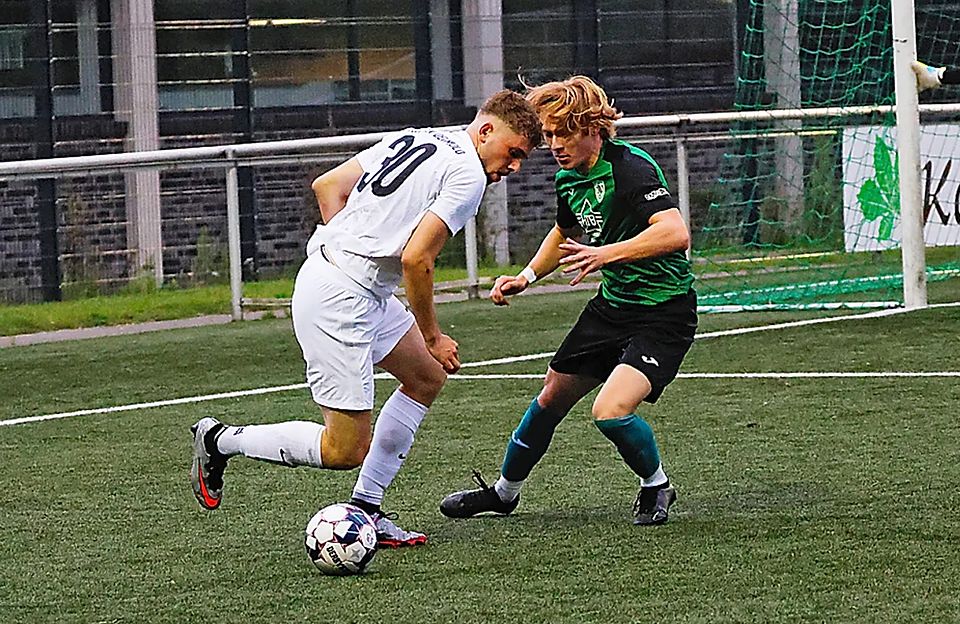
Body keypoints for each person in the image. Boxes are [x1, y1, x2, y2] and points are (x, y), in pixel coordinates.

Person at [190, 90, 542, 547]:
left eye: (523, 160)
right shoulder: (468, 174)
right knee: (344, 449)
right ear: (487, 130)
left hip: (348, 280)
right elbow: (418, 260)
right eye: (513, 153)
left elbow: (327, 185)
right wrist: (432, 335)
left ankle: (366, 510)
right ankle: (221, 440)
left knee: (425, 378)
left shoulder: (423, 136)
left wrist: (350, 247)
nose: (514, 167)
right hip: (341, 298)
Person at [439, 76, 697, 526]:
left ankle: (656, 485)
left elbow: (675, 233)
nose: (555, 144)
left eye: (564, 133)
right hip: (612, 307)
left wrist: (606, 254)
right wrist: (526, 276)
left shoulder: (629, 168)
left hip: (664, 312)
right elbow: (566, 233)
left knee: (610, 411)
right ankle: (504, 494)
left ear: (593, 127)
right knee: (549, 399)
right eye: (549, 134)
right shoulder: (568, 178)